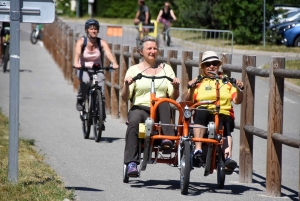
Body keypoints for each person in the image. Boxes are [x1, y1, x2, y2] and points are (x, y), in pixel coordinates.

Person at [121, 36, 180, 176]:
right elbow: (125, 97)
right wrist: (126, 85)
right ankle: (131, 163)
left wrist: (176, 87)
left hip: (161, 108)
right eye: (149, 48)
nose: (152, 51)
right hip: (141, 107)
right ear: (141, 51)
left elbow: (173, 96)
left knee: (164, 101)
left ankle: (168, 139)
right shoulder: (134, 70)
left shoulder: (166, 69)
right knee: (134, 122)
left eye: (155, 48)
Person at [186, 50, 244, 171]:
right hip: (204, 110)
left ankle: (228, 158)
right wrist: (191, 88)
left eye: (214, 63)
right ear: (203, 67)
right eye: (208, 64)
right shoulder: (199, 81)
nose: (211, 66)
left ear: (218, 65)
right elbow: (189, 101)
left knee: (225, 125)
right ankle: (198, 149)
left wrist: (239, 89)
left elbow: (237, 100)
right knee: (201, 111)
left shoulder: (227, 81)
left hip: (223, 112)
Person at [73, 19, 119, 129]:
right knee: (85, 81)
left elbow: (108, 53)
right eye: (91, 29)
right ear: (87, 30)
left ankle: (101, 119)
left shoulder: (101, 42)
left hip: (97, 69)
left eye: (95, 29)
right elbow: (78, 53)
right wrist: (76, 62)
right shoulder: (81, 41)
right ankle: (80, 99)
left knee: (101, 93)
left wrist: (114, 63)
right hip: (83, 68)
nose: (94, 31)